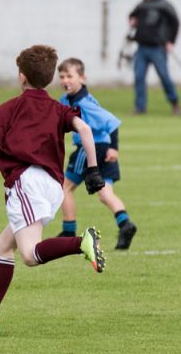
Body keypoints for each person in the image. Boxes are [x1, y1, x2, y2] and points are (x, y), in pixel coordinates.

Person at [0, 44, 106, 336]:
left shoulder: (12, 107)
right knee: (4, 245)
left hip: (26, 183)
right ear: (50, 78)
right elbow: (86, 131)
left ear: (21, 77)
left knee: (29, 254)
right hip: (53, 186)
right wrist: (92, 169)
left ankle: (81, 243)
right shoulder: (58, 108)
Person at [56, 58, 138, 250]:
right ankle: (125, 224)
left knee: (64, 188)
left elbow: (112, 122)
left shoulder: (84, 103)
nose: (65, 80)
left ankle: (69, 232)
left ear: (82, 78)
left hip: (92, 149)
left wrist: (114, 148)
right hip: (102, 148)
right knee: (105, 193)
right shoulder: (67, 100)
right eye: (61, 76)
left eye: (70, 76)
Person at [129, 0, 180, 114]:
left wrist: (171, 41)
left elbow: (175, 23)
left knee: (164, 76)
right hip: (141, 47)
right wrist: (133, 20)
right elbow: (133, 15)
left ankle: (174, 102)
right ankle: (140, 107)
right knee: (139, 77)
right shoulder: (142, 5)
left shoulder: (164, 5)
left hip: (158, 47)